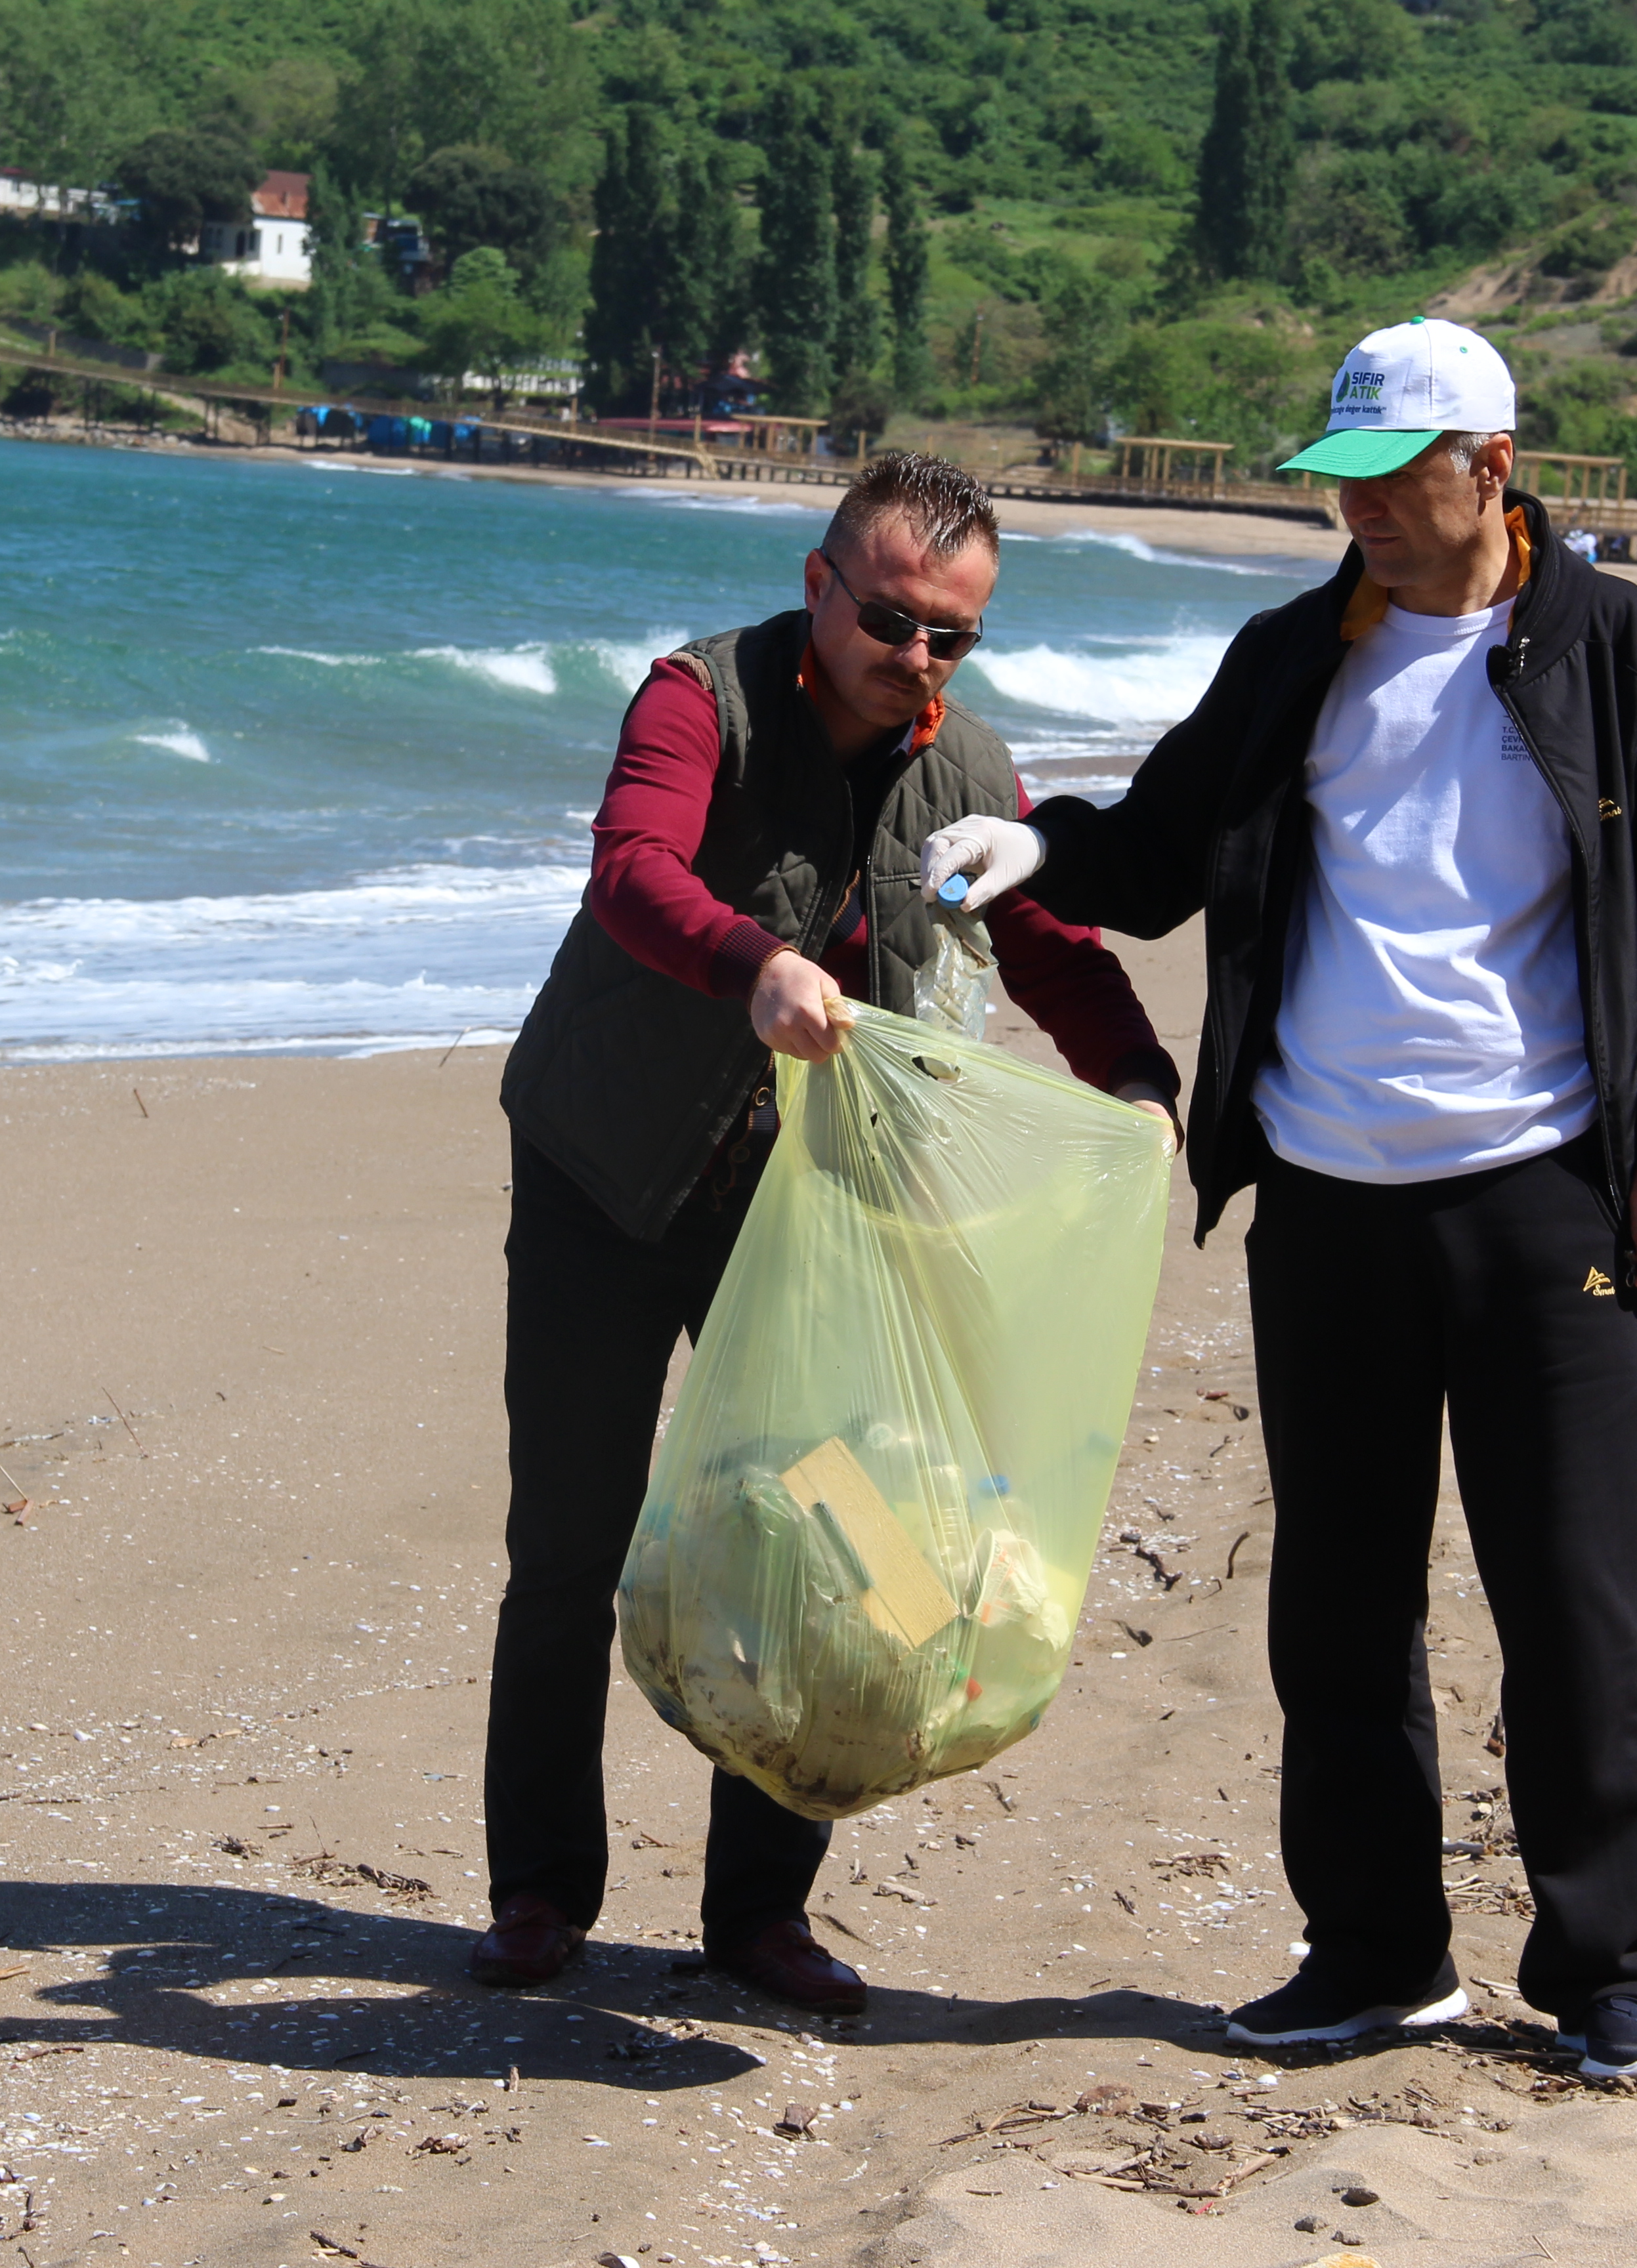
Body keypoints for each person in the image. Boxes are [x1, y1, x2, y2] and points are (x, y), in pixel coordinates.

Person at [921, 316, 1637, 2088]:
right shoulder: (1296, 654)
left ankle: (1612, 1972)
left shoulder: (1613, 647)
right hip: (1326, 1197)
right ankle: (1379, 1952)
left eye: (1393, 479)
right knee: (1340, 1606)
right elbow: (1159, 848)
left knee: (1578, 1600)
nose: (1359, 510)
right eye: (1341, 482)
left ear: (1493, 468)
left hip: (1542, 1196)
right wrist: (1038, 848)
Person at [482, 452, 1182, 2015]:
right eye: (888, 619)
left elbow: (1051, 948)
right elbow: (631, 871)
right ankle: (538, 1891)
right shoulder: (699, 696)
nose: (914, 656)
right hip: (605, 1170)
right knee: (568, 1544)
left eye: (951, 635)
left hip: (816, 1218)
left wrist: (1137, 1080)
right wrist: (749, 964)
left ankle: (756, 1912)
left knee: (827, 1551)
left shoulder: (972, 771)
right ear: (819, 584)